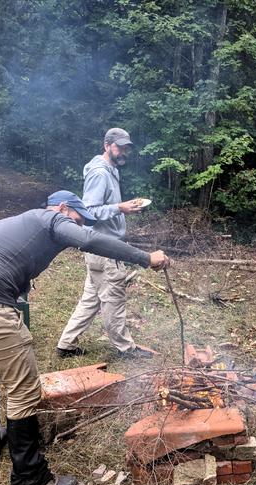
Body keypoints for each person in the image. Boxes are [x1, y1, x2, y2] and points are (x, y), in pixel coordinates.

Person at [0, 190, 170, 485]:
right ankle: (31, 479)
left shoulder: (15, 222)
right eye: (79, 219)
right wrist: (145, 258)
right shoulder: (51, 218)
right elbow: (91, 240)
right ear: (64, 208)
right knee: (23, 390)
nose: (79, 226)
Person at [57, 127, 153, 359]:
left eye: (126, 148)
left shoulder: (110, 170)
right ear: (107, 145)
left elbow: (104, 207)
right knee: (114, 299)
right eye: (119, 147)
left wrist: (124, 210)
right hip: (105, 248)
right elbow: (89, 211)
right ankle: (125, 349)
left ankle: (66, 344)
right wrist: (119, 208)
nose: (124, 152)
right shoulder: (100, 173)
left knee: (91, 298)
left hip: (98, 247)